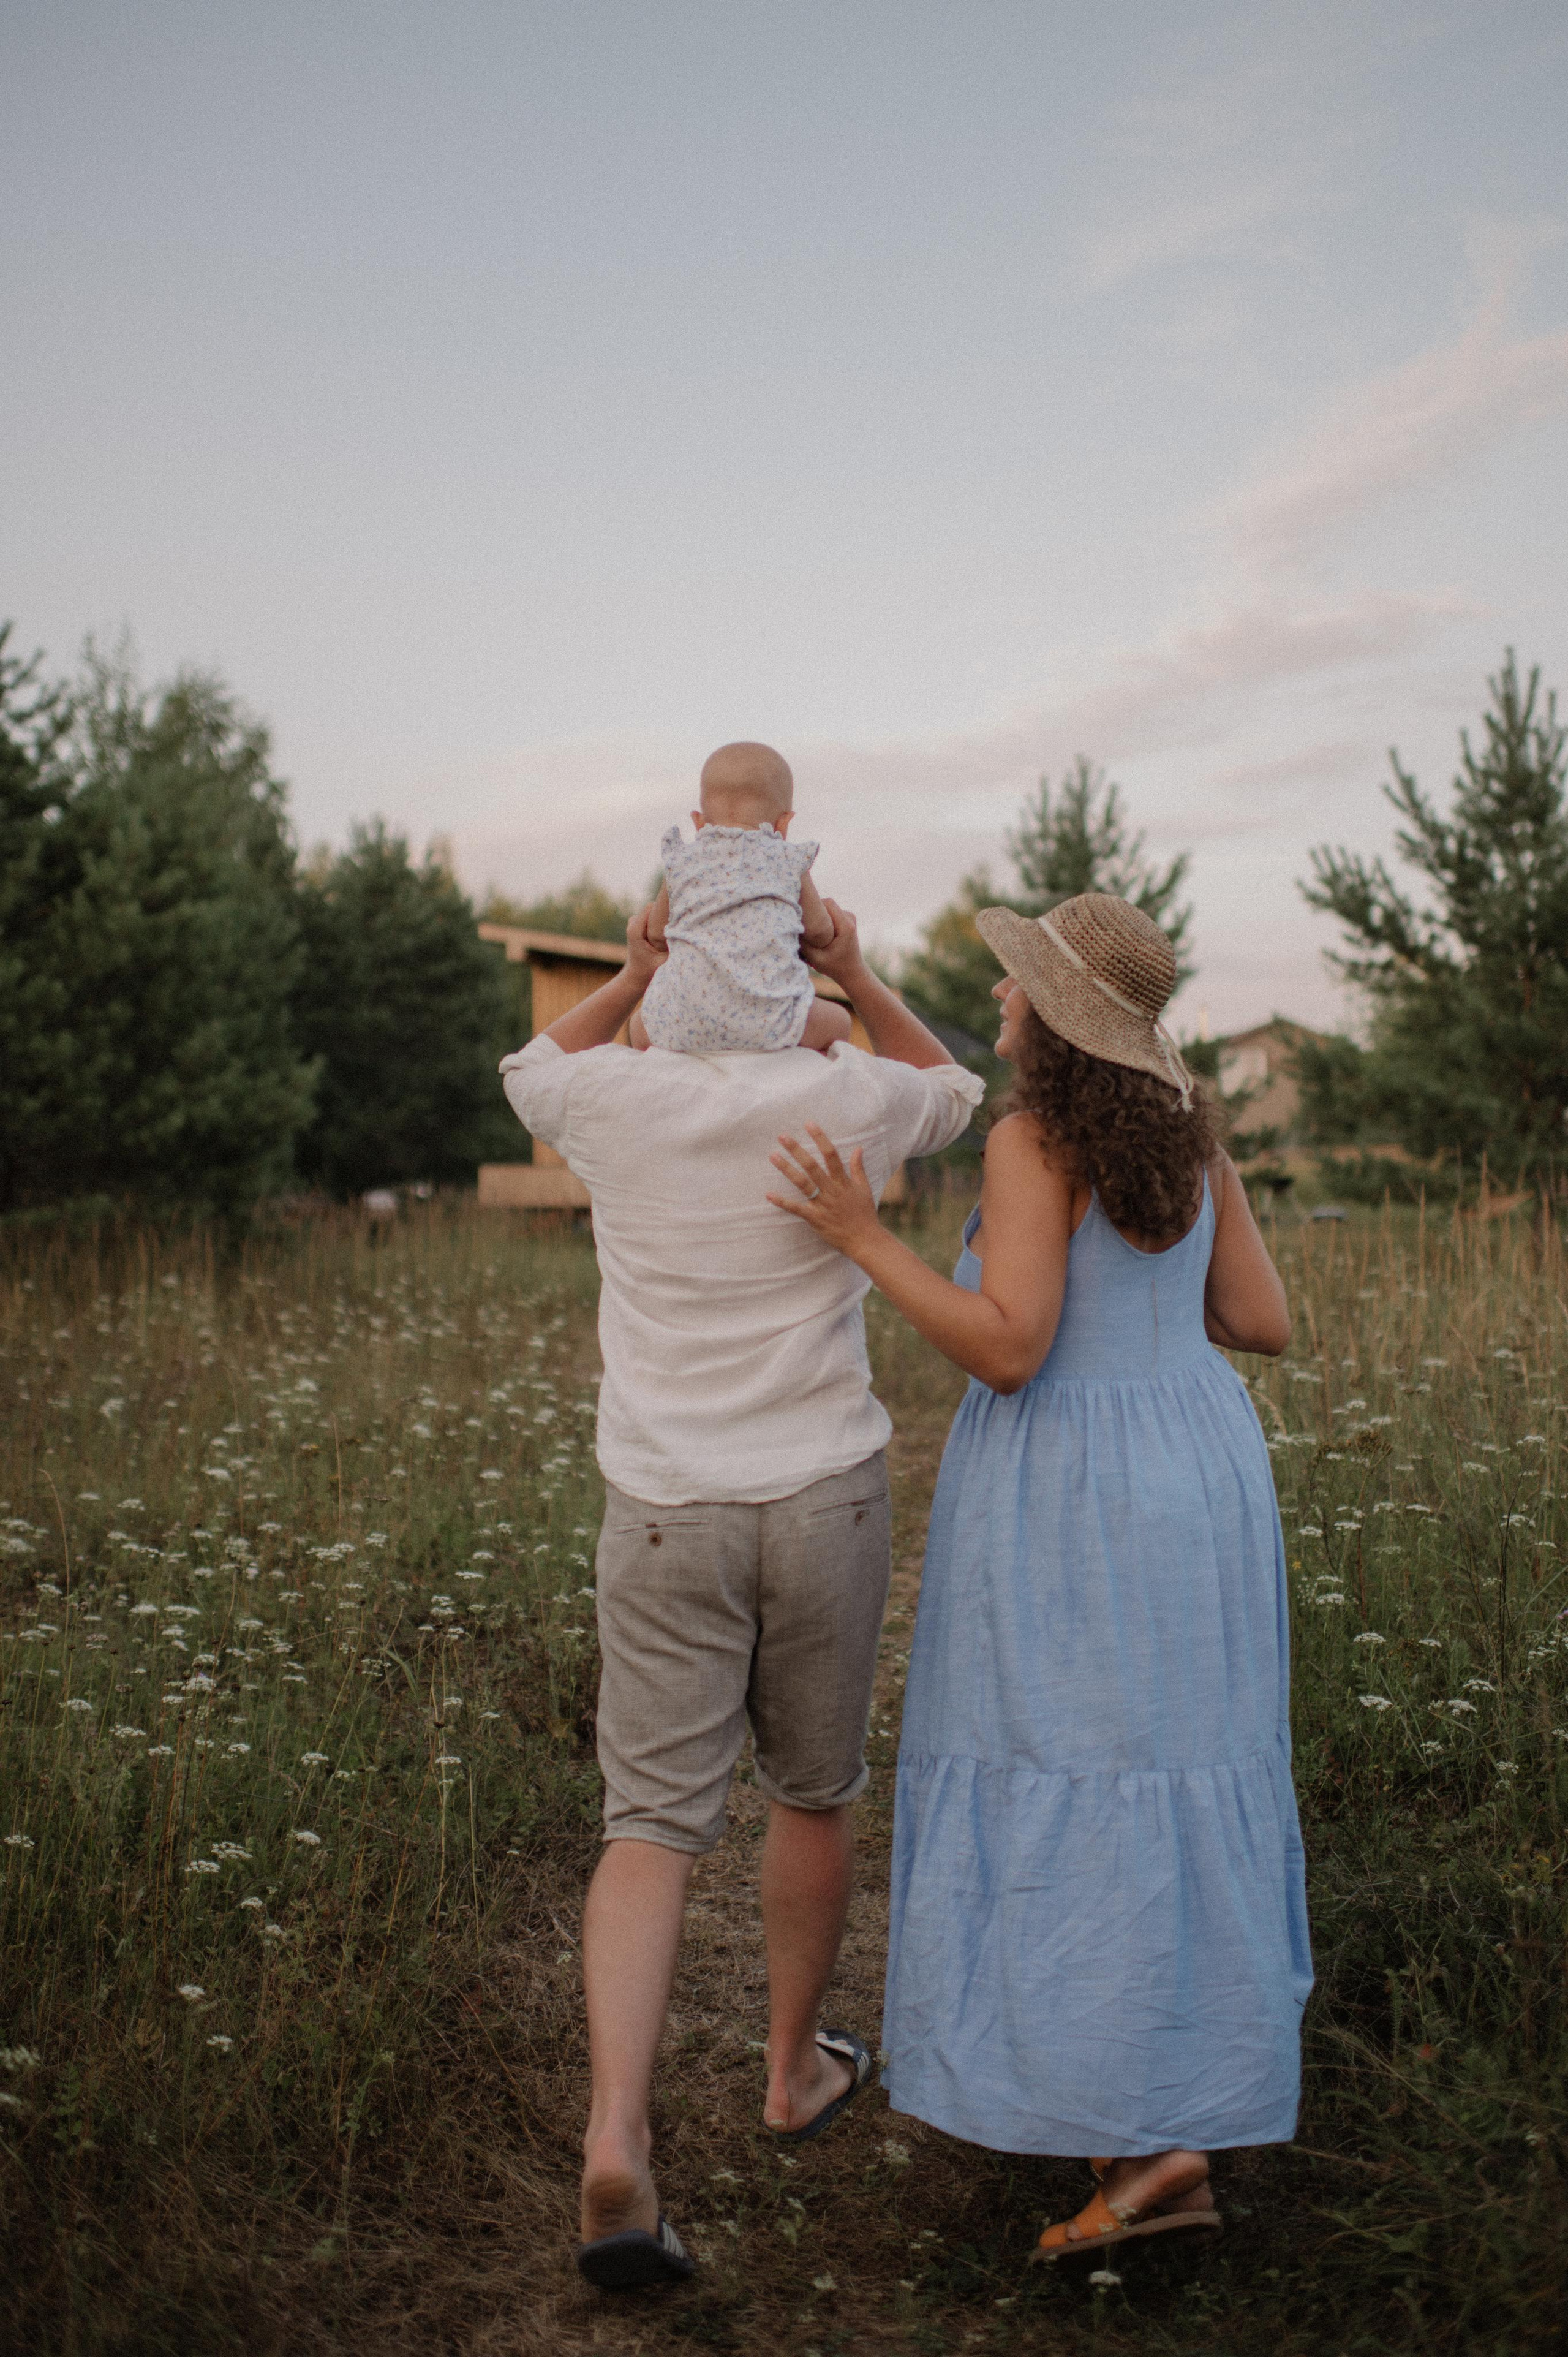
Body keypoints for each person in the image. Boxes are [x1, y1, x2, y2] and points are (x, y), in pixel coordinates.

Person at [768, 891, 1312, 2266]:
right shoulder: (1186, 1142)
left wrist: (861, 1237)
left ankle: (1140, 2146)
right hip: (1199, 1472)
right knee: (1166, 1773)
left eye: (1016, 988)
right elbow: (1259, 1321)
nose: (999, 1002)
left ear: (1054, 1023)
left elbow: (1009, 1347)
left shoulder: (1031, 1144)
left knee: (1065, 1764)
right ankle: (1165, 2118)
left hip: (1077, 1491)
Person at [500, 890, 983, 2291]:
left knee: (649, 1825)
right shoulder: (832, 1090)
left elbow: (525, 1071)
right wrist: (859, 969)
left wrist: (626, 974)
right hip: (817, 1488)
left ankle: (617, 2133)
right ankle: (788, 2074)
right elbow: (951, 1084)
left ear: (669, 987)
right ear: (787, 972)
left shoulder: (615, 1098)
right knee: (812, 1793)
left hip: (663, 1505)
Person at [629, 740, 852, 1056]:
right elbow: (819, 932)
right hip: (771, 1022)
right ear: (784, 824)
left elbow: (656, 932)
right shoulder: (786, 858)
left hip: (684, 1022)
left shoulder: (683, 860)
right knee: (841, 1022)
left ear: (699, 822)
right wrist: (832, 922)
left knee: (639, 1026)